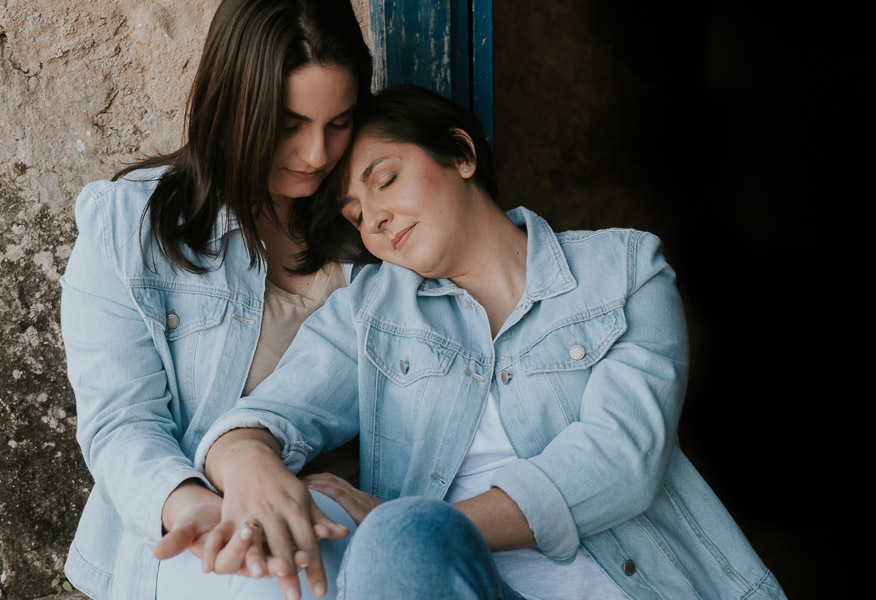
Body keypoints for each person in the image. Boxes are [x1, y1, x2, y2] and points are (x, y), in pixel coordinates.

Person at [188, 85, 789, 600]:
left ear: (461, 154)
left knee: (400, 540)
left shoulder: (625, 270)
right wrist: (248, 466)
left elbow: (624, 460)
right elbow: (265, 418)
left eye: (386, 180)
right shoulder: (370, 312)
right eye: (353, 214)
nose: (373, 219)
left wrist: (418, 525)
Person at [59, 1, 372, 599]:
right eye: (289, 125)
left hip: (344, 535)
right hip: (200, 546)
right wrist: (191, 505)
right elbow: (121, 422)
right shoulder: (130, 227)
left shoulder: (376, 224)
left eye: (339, 123)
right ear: (234, 106)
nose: (315, 155)